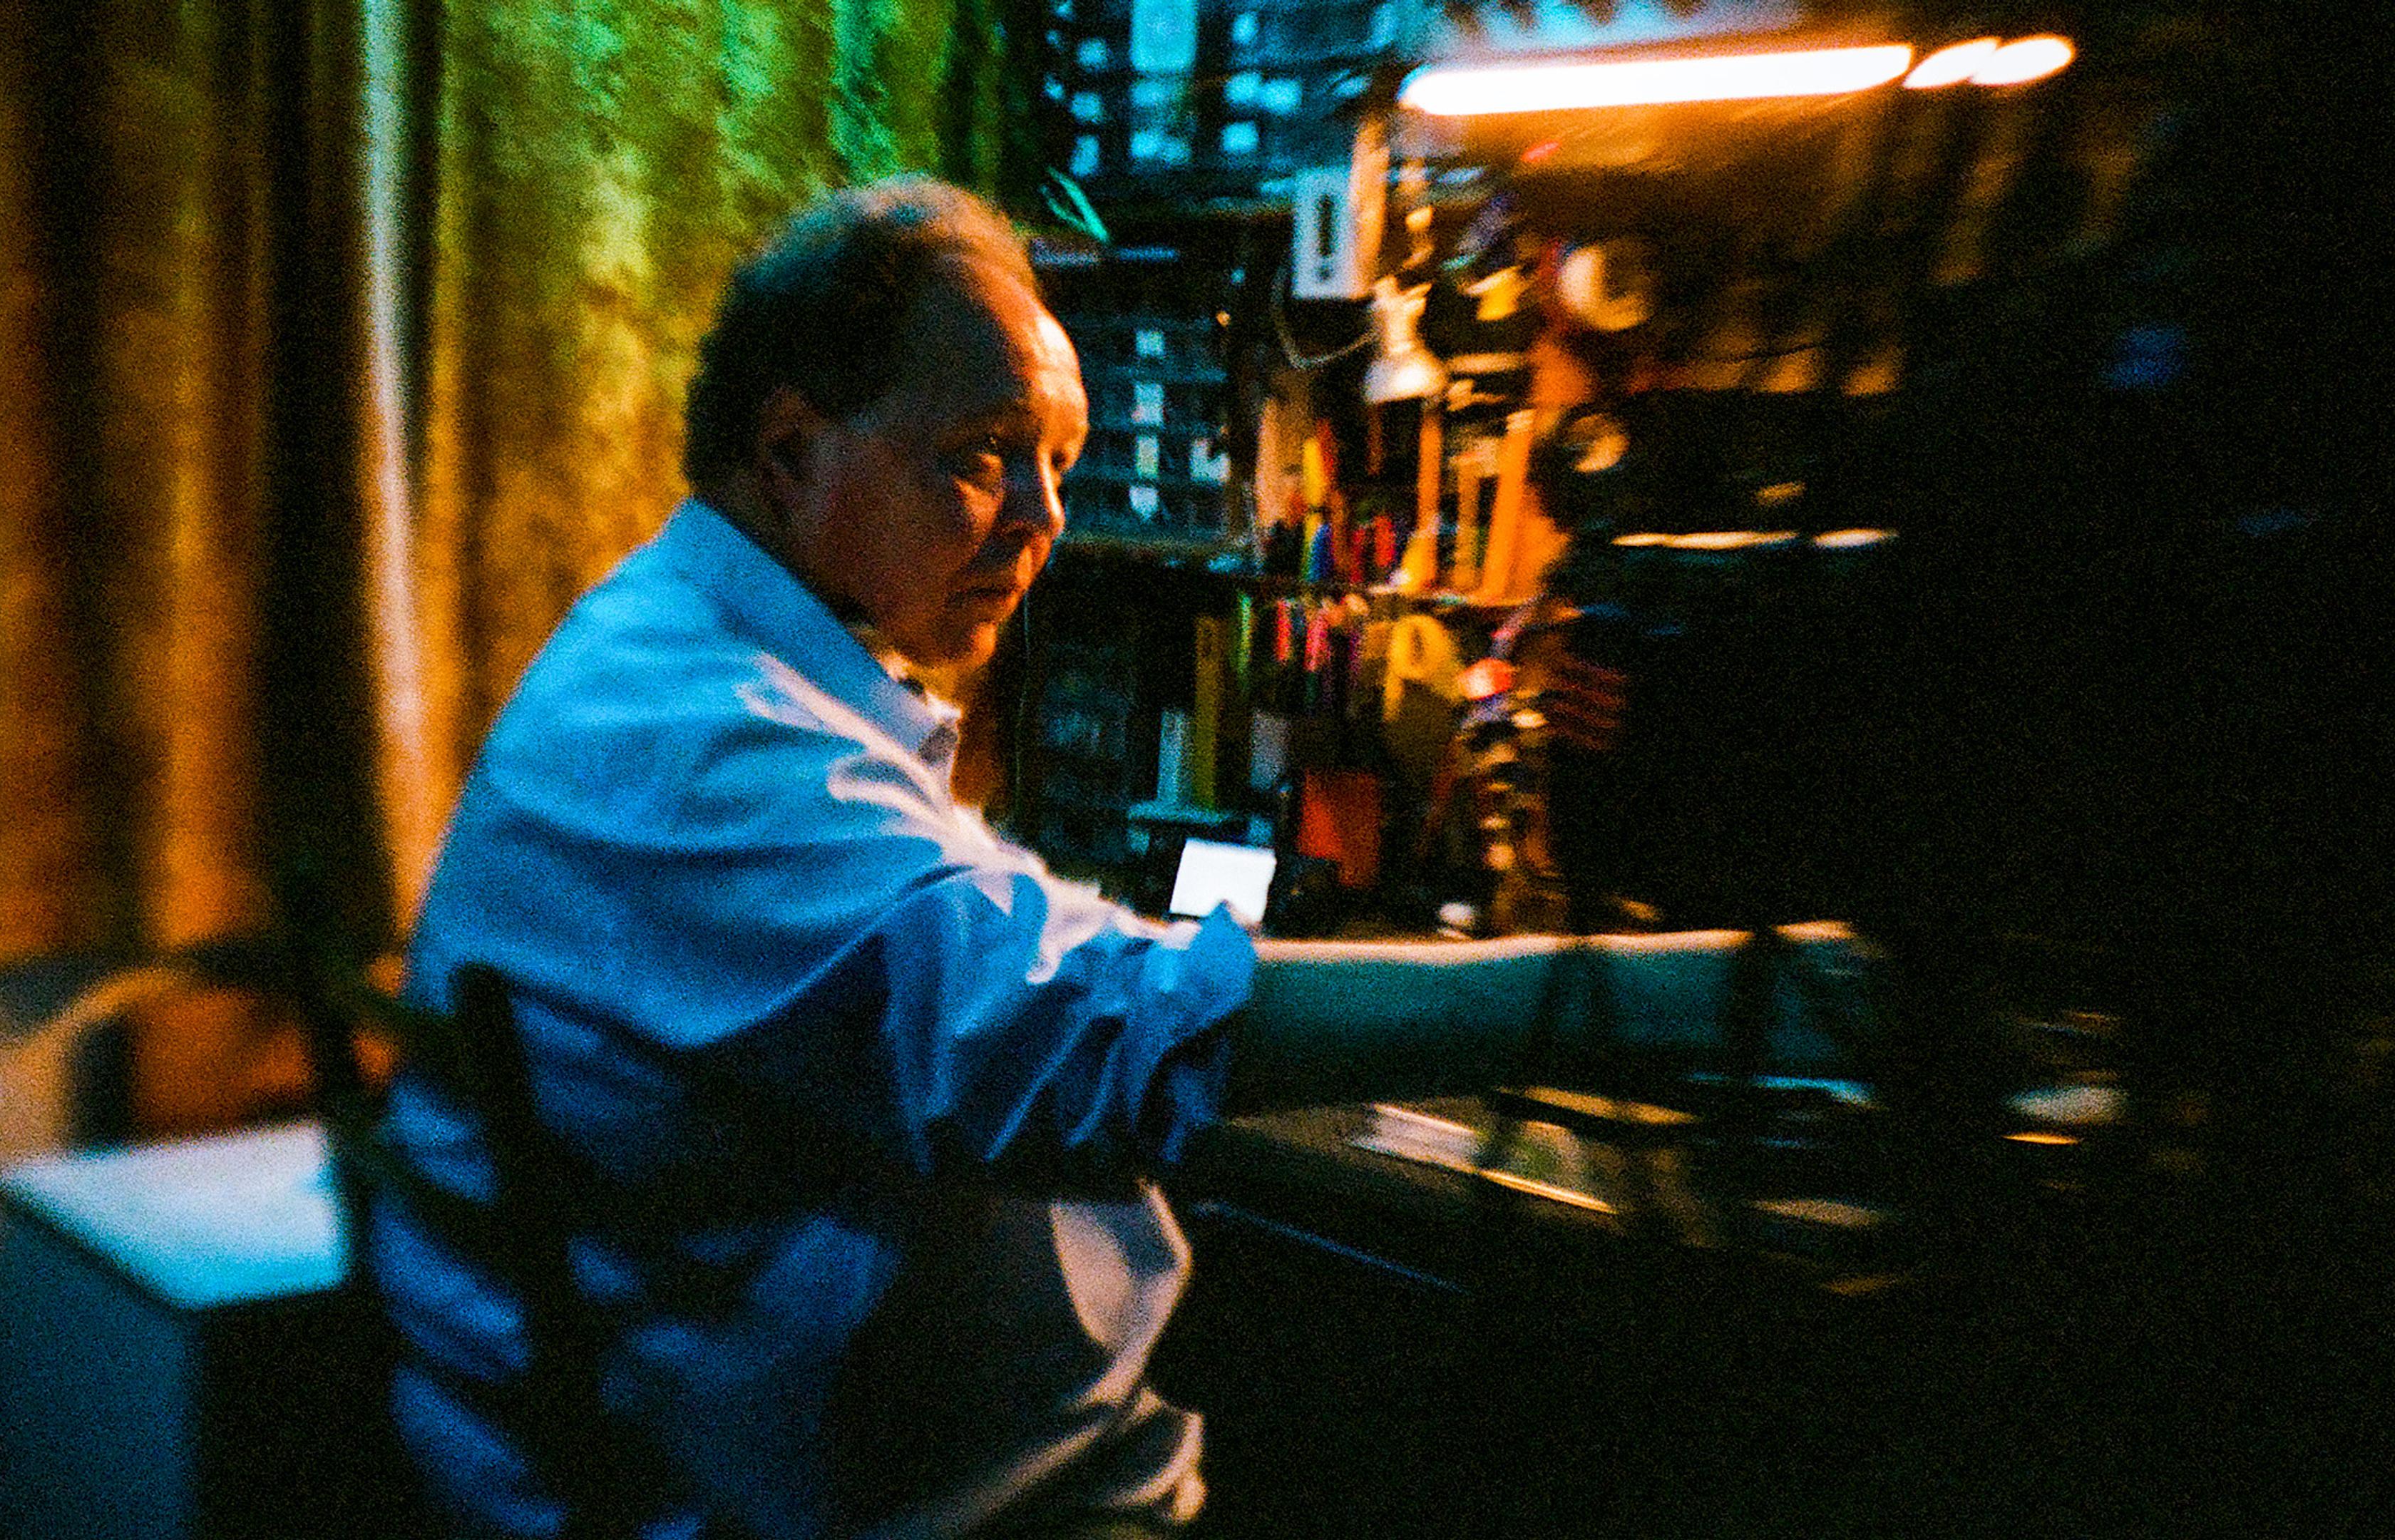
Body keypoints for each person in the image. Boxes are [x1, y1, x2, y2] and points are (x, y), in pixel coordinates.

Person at [375, 176, 1864, 1540]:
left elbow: (961, 957)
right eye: (981, 460)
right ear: (789, 451)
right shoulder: (713, 736)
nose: (1041, 522)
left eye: (1061, 462)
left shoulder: (700, 655)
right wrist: (1703, 994)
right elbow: (1081, 1034)